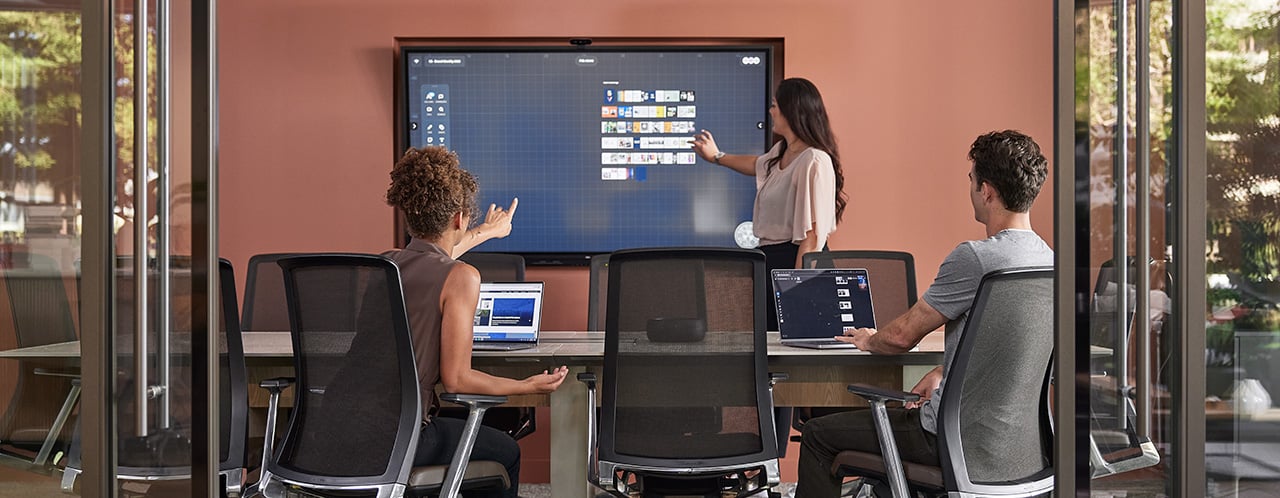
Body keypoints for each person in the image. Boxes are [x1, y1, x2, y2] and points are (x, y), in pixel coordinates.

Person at [791, 130, 1053, 497]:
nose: (971, 190)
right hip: (1021, 453)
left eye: (972, 181)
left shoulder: (976, 258)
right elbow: (1010, 347)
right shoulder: (1049, 262)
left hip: (953, 442)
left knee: (818, 435)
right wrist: (945, 371)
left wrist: (868, 338)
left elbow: (900, 337)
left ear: (987, 191)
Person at [384, 146, 568, 498]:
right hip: (402, 439)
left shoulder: (384, 265)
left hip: (334, 434)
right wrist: (527, 386)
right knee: (506, 452)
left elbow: (435, 253)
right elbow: (457, 379)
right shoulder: (461, 276)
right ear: (459, 217)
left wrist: (487, 230)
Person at [691, 77, 848, 332]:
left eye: (775, 105)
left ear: (791, 110)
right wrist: (717, 157)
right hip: (771, 260)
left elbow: (813, 236)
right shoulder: (781, 152)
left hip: (799, 261)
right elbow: (756, 164)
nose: (771, 111)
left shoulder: (814, 160)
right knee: (769, 344)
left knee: (795, 344)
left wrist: (797, 286)